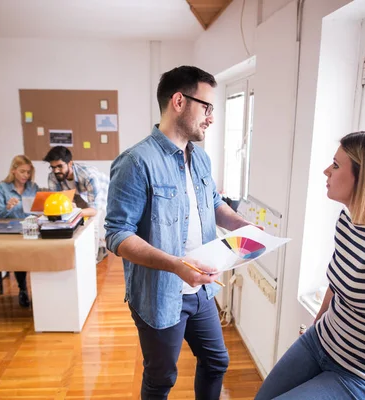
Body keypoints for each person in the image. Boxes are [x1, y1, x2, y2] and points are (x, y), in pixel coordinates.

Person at [105, 66, 256, 400]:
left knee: (217, 361)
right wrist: (174, 264)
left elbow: (214, 203)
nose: (211, 118)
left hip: (201, 289)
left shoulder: (200, 158)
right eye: (207, 107)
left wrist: (240, 225)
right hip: (160, 293)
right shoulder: (135, 162)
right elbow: (117, 234)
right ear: (178, 101)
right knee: (161, 379)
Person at [255, 131, 365, 400]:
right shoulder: (349, 220)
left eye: (336, 165)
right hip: (322, 341)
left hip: (362, 377)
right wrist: (314, 327)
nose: (326, 171)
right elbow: (336, 283)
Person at [43, 146, 109, 262]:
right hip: (78, 192)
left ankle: (93, 259)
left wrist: (75, 212)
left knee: (92, 223)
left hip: (101, 191)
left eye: (59, 166)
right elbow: (58, 204)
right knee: (74, 220)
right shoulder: (53, 176)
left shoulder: (89, 175)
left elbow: (93, 210)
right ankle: (80, 252)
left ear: (70, 164)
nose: (56, 171)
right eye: (53, 167)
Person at [0, 155, 39, 308]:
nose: (26, 175)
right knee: (20, 257)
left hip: (30, 227)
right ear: (13, 171)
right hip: (10, 229)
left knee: (40, 254)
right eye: (22, 171)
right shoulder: (1, 188)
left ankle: (40, 291)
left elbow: (38, 209)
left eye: (28, 172)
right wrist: (8, 208)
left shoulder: (33, 187)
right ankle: (23, 289)